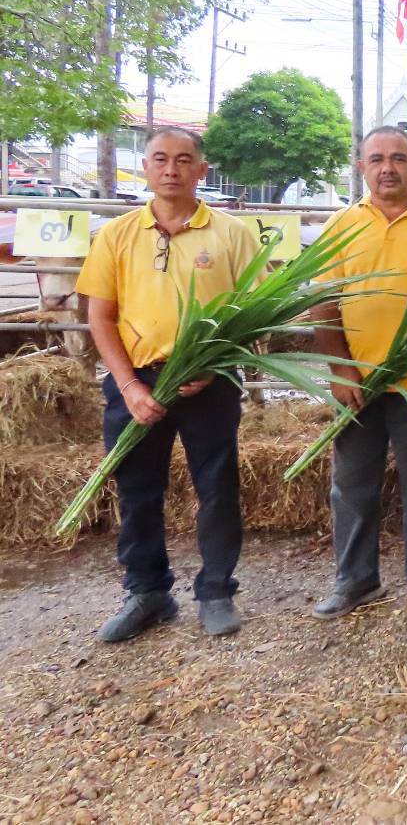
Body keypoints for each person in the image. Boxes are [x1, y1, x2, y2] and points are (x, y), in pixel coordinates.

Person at [77, 127, 261, 642]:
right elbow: (100, 317)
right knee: (137, 490)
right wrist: (129, 386)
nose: (171, 169)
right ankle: (147, 591)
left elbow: (254, 313)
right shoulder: (117, 235)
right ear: (146, 167)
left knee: (217, 487)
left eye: (183, 159)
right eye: (160, 159)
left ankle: (217, 591)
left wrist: (214, 365)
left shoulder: (232, 234)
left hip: (209, 382)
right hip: (136, 382)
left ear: (202, 169)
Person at [309, 127, 407, 621]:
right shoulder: (340, 226)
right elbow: (322, 304)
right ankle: (356, 581)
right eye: (377, 158)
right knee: (351, 487)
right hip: (357, 385)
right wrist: (341, 370)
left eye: (399, 158)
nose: (388, 168)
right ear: (361, 167)